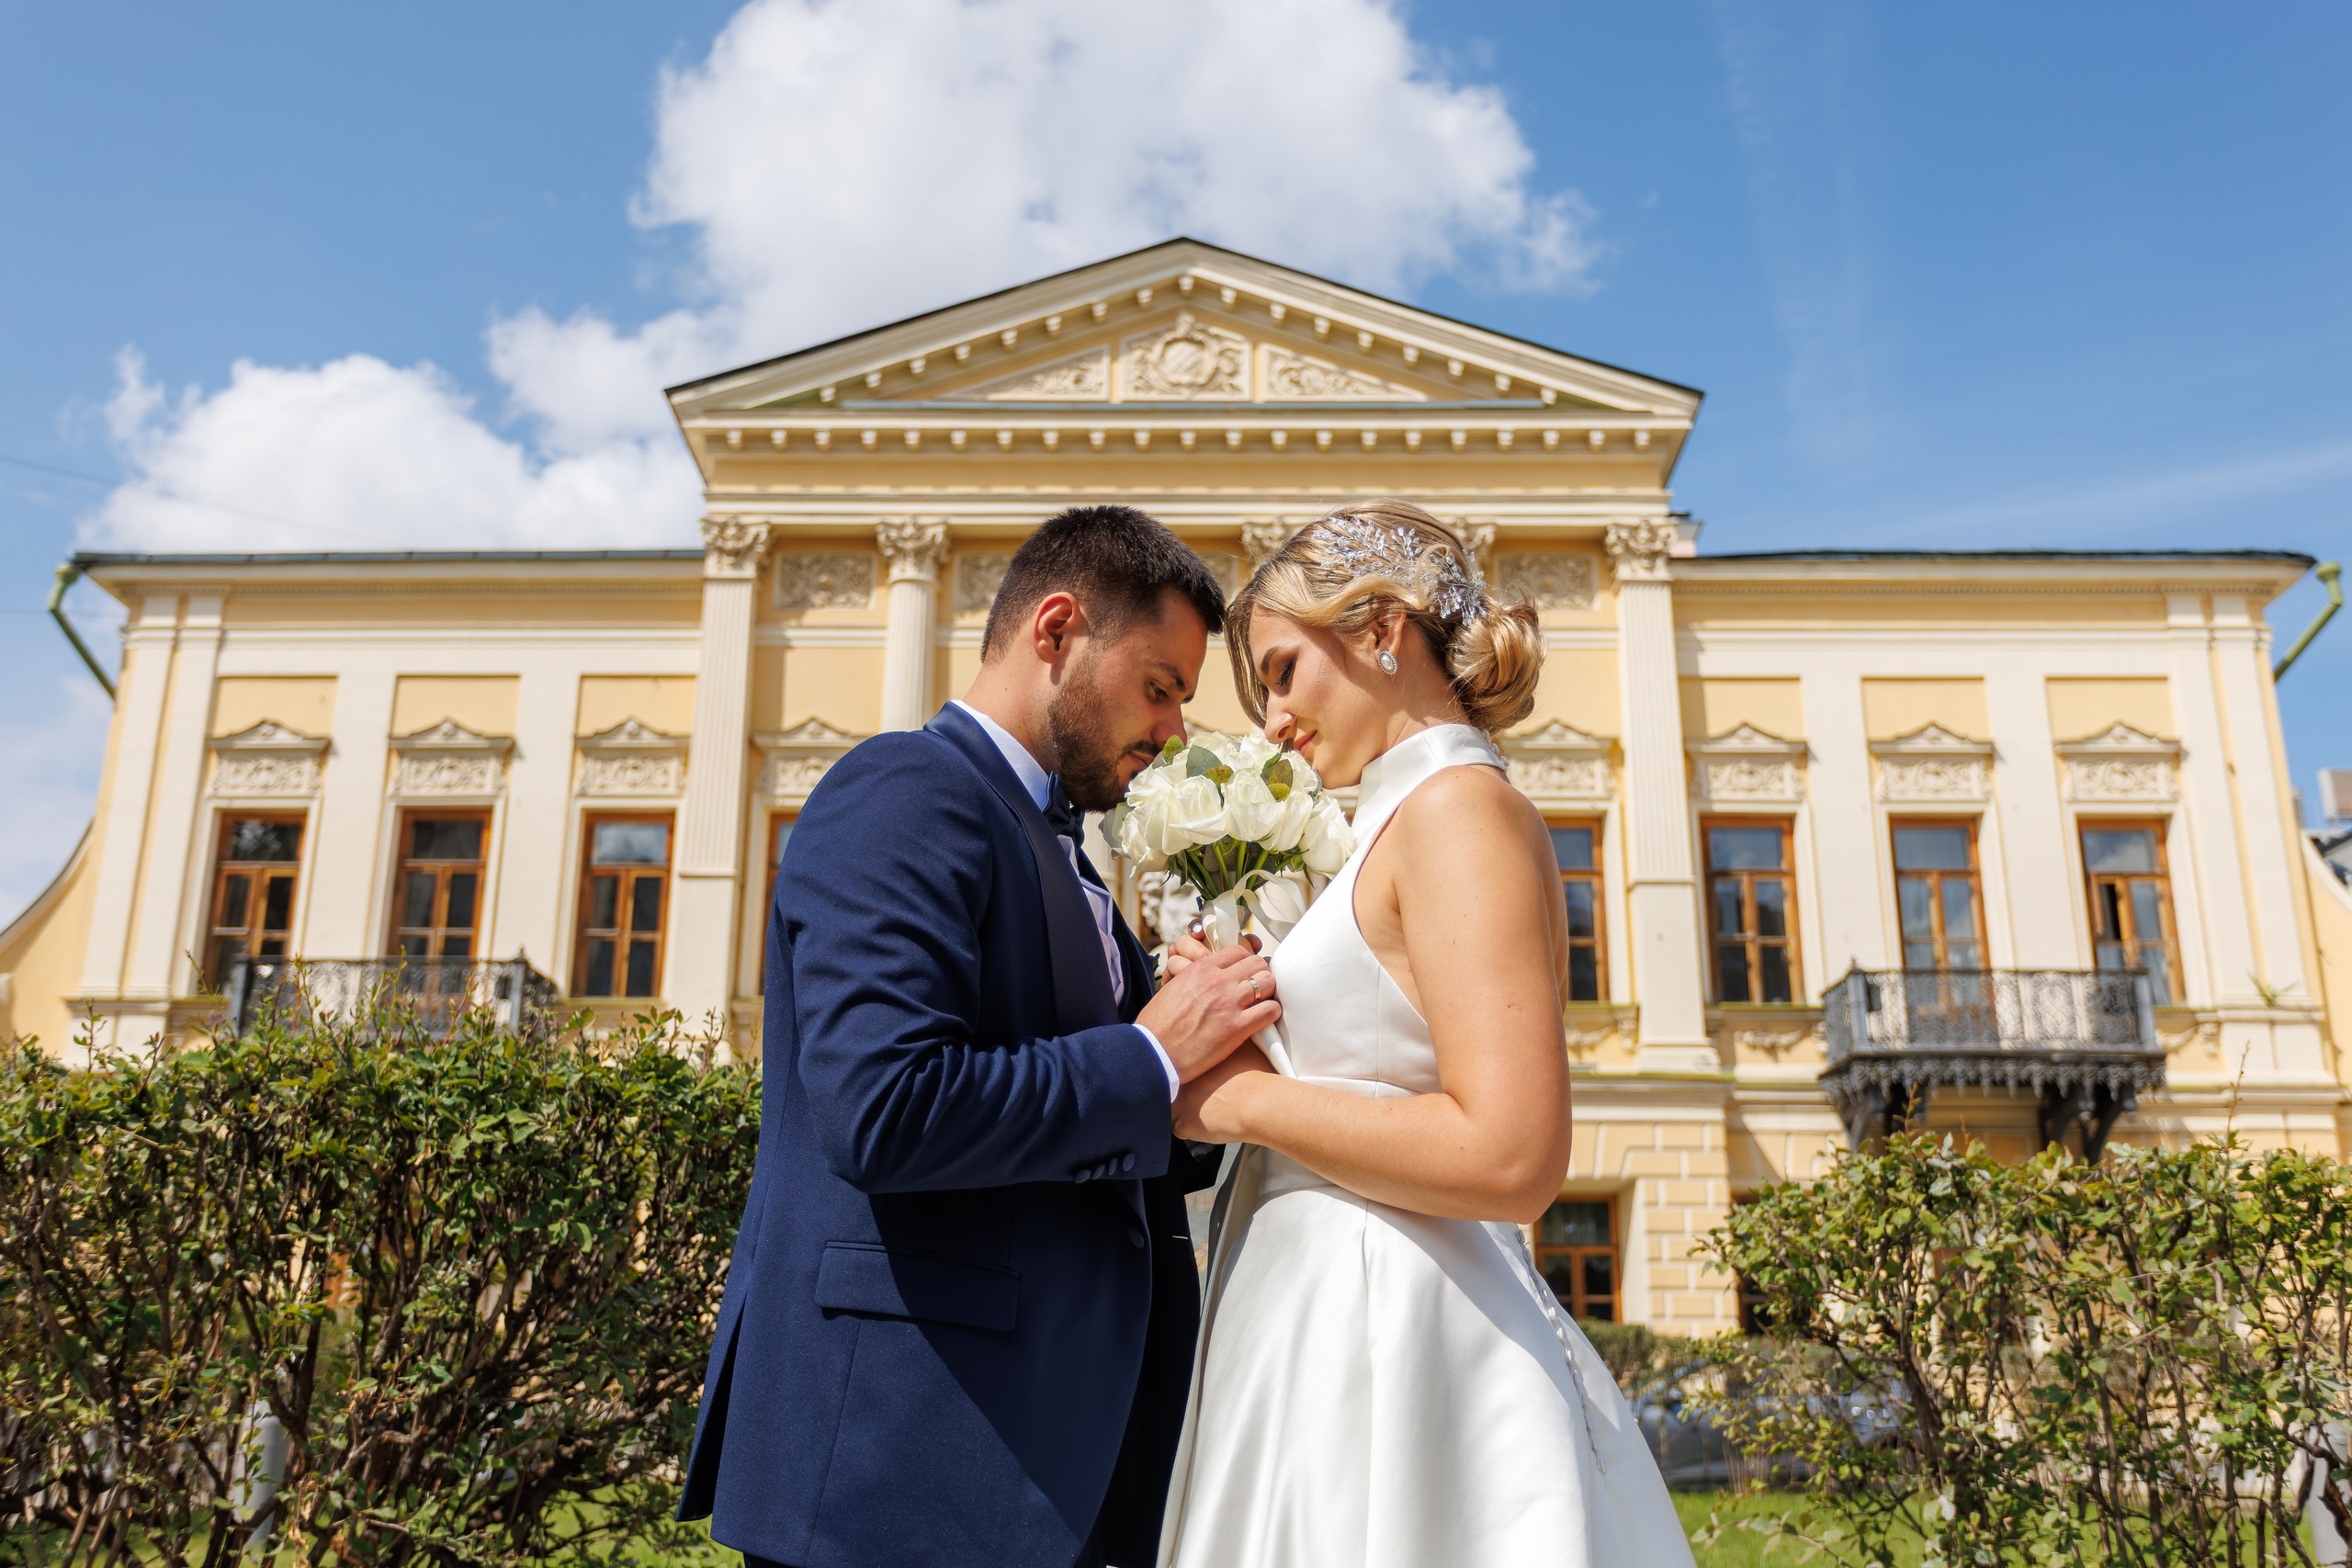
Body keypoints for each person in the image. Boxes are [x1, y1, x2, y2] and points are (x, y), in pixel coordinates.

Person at [678, 504, 1278, 1568]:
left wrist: (1196, 1087)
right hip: (902, 1468)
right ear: (1056, 631)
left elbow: (1080, 1139)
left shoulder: (1068, 855)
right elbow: (886, 1111)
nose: (1174, 731)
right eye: (1160, 686)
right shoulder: (905, 790)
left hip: (1043, 1466)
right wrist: (1148, 1056)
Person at [1155, 500, 1695, 1568]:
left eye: (1279, 670)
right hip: (1331, 1306)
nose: (1270, 720)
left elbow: (1511, 1153)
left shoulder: (1454, 809)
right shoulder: (1401, 818)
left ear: (1380, 630)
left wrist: (1237, 1099)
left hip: (1391, 1326)